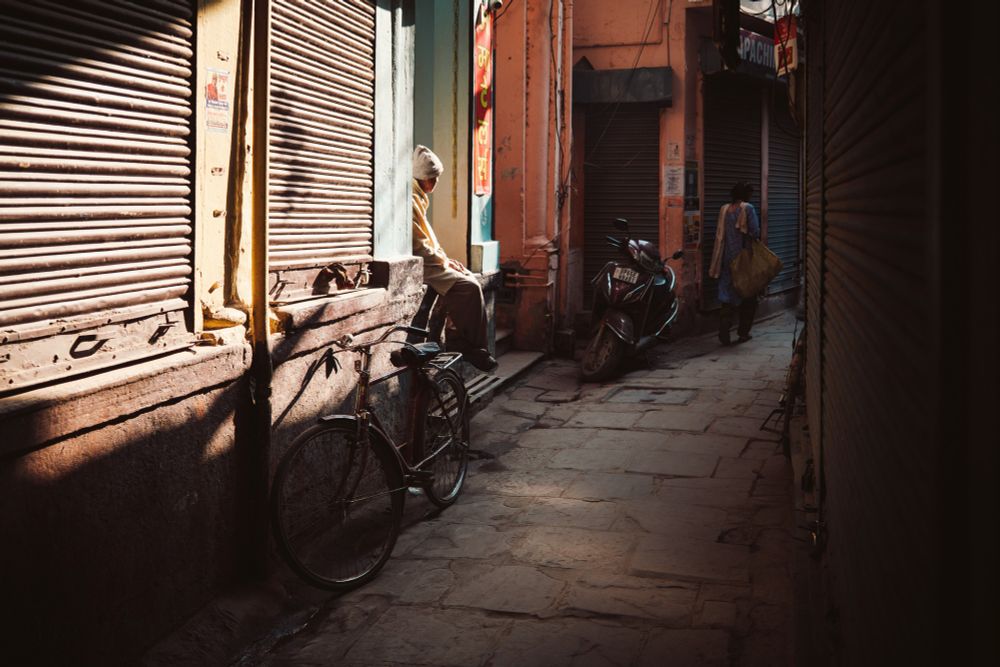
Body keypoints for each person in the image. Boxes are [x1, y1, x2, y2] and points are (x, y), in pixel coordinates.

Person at [411, 145, 498, 372]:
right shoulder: (411, 201)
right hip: (423, 265)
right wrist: (442, 261)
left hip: (432, 261)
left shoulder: (418, 198)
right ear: (424, 179)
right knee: (468, 287)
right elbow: (419, 245)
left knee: (468, 277)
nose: (436, 183)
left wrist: (446, 259)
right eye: (434, 178)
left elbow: (429, 240)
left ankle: (467, 341)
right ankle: (468, 345)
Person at [709, 180, 761, 345]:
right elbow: (755, 232)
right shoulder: (748, 208)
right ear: (745, 195)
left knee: (727, 295)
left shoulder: (724, 209)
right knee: (749, 295)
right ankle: (743, 333)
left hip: (726, 259)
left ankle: (724, 327)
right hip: (743, 259)